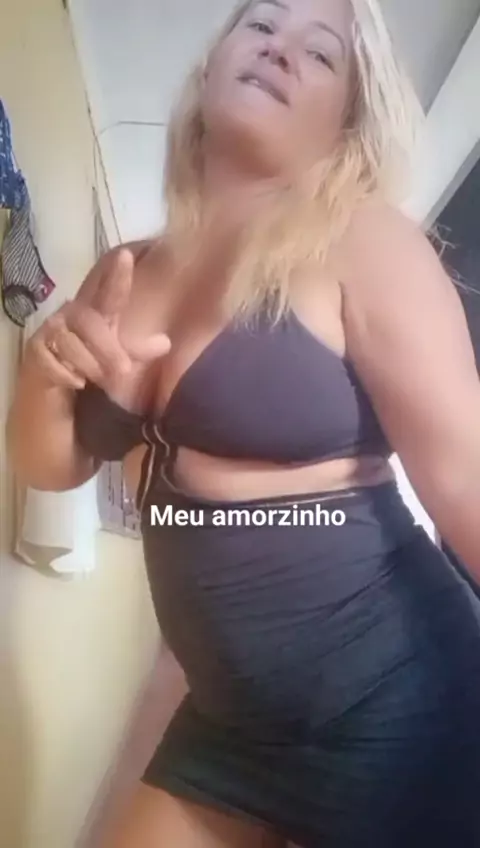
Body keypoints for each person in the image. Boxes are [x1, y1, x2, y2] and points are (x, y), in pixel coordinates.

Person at [7, 0, 480, 845]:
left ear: (346, 121)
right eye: (260, 25)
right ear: (212, 65)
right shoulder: (126, 268)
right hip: (228, 725)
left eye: (321, 53)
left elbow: (468, 483)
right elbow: (54, 467)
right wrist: (44, 373)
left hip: (398, 707)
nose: (280, 50)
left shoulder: (366, 244)